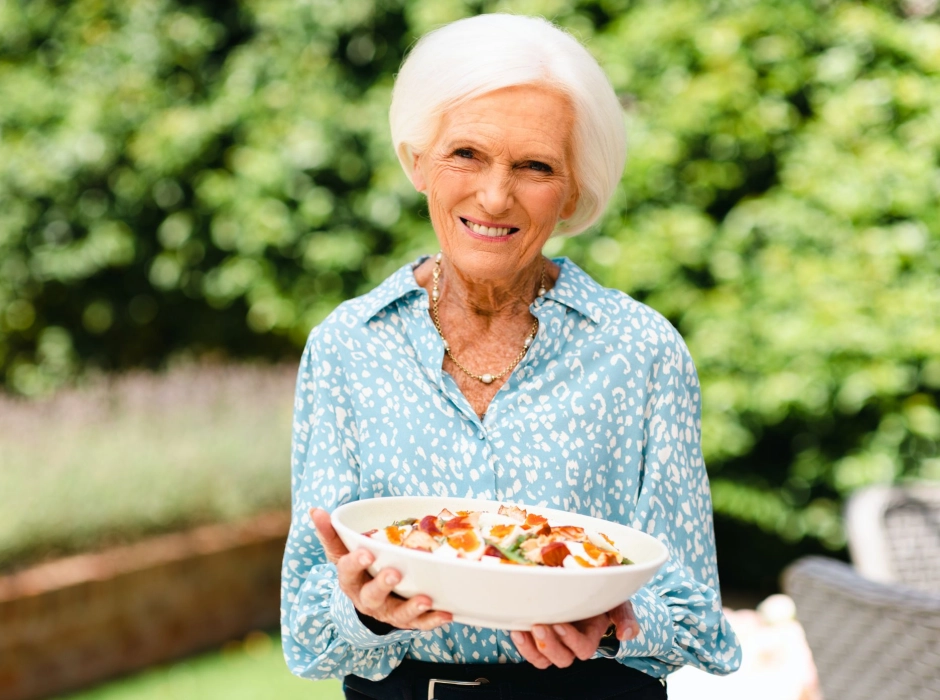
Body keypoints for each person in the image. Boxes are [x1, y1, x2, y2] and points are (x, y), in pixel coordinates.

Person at [280, 13, 740, 700]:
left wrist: (612, 626)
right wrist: (365, 614)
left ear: (574, 190)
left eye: (535, 166)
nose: (494, 196)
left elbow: (701, 621)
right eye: (466, 153)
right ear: (417, 161)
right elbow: (307, 631)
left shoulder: (639, 350)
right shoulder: (349, 347)